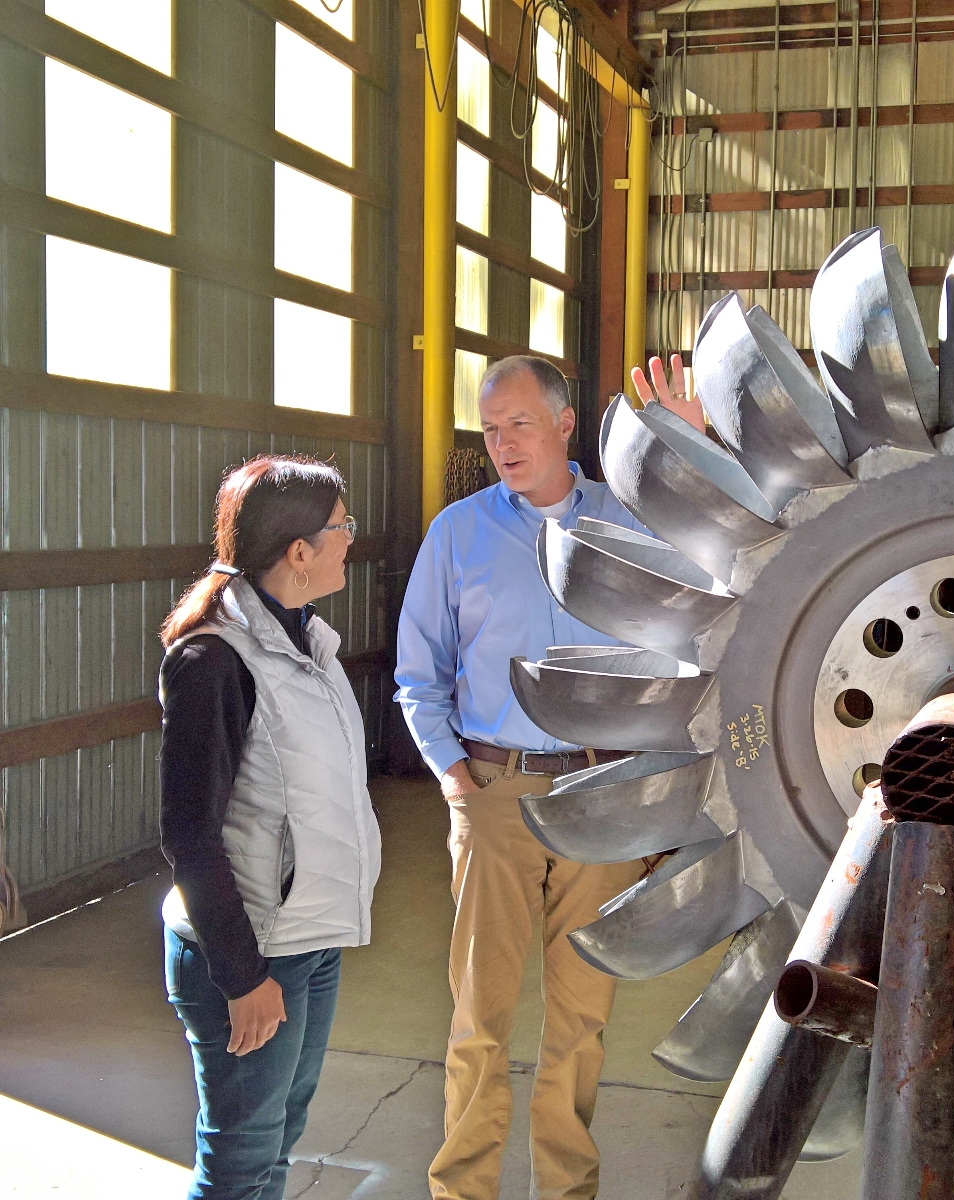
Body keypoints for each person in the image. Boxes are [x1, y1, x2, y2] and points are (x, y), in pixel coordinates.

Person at [395, 354, 702, 1200]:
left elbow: (714, 581)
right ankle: (463, 1190)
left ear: (566, 424)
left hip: (603, 798)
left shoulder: (631, 520)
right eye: (489, 429)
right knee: (478, 1018)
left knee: (582, 1021)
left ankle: (565, 1191)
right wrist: (457, 784)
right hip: (498, 793)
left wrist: (691, 446)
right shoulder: (458, 534)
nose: (500, 444)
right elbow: (417, 675)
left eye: (518, 424)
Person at [159, 454, 381, 1200]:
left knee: (277, 1137)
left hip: (307, 941)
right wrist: (241, 974)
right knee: (240, 1161)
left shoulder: (305, 642)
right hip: (251, 951)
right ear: (299, 551)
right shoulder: (216, 661)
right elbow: (189, 831)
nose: (351, 538)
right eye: (343, 527)